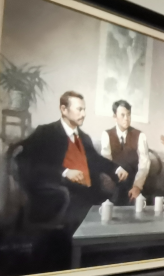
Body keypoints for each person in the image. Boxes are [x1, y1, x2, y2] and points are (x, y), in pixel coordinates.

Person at [16, 91, 125, 251]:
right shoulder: (46, 133)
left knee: (117, 217)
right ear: (64, 110)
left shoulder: (84, 138)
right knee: (83, 223)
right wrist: (64, 172)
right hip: (61, 194)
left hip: (90, 194)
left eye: (84, 109)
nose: (84, 114)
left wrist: (116, 168)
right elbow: (27, 162)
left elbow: (96, 160)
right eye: (79, 109)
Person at [98, 98, 148, 204]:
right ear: (115, 117)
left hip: (134, 180)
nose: (126, 118)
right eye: (122, 115)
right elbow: (106, 161)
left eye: (128, 115)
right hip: (115, 180)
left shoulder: (140, 135)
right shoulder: (107, 135)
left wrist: (137, 186)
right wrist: (116, 172)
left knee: (135, 199)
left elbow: (144, 164)